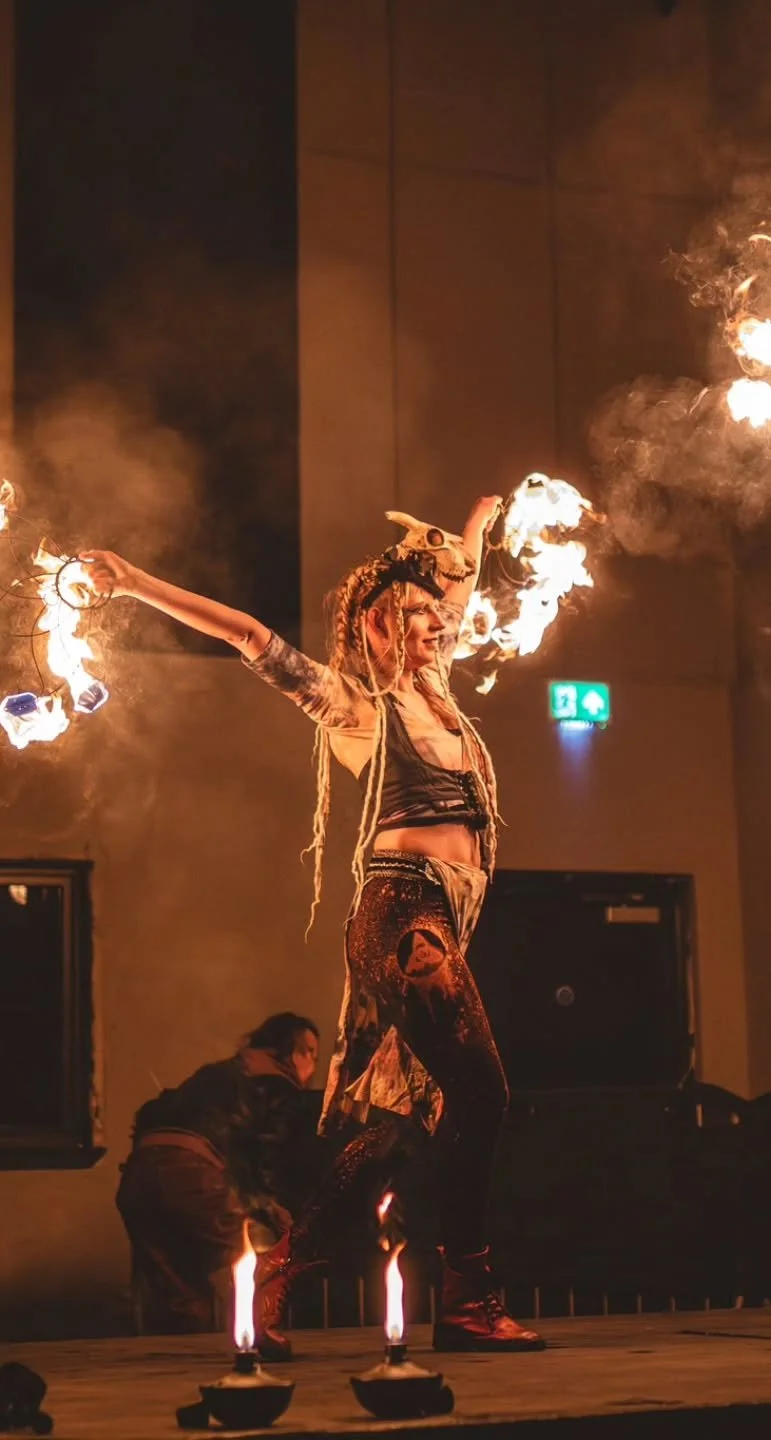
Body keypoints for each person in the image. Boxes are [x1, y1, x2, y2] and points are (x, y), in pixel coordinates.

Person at [82, 498, 544, 1355]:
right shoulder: (363, 708)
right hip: (402, 916)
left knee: (396, 1129)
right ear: (377, 625)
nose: (441, 626)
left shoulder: (442, 702)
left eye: (442, 618)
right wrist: (137, 583)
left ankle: (282, 1273)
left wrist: (474, 534)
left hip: (444, 915)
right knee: (484, 1092)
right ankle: (471, 1296)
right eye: (419, 617)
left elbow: (462, 590)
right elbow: (249, 637)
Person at [116, 1012, 321, 1334]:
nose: (312, 1062)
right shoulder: (273, 1084)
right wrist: (271, 1209)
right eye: (307, 1051)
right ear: (284, 1049)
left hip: (139, 1173)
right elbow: (262, 1154)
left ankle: (176, 1368)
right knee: (259, 1258)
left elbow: (153, 1113)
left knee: (173, 1287)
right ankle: (259, 1343)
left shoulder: (217, 1073)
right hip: (193, 1175)